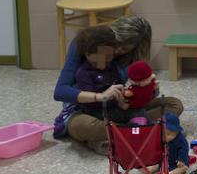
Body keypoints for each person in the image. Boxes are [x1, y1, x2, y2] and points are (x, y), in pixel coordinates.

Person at [52, 16, 183, 153]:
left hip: (119, 110)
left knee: (174, 105)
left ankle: (119, 135)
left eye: (124, 48)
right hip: (84, 110)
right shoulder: (86, 43)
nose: (116, 50)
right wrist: (99, 96)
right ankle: (138, 131)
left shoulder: (129, 59)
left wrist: (149, 89)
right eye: (116, 44)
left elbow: (134, 99)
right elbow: (61, 91)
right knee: (86, 126)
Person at [73, 26, 142, 123]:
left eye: (109, 57)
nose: (106, 62)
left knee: (139, 109)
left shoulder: (111, 65)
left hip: (115, 106)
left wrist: (123, 98)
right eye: (102, 58)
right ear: (88, 55)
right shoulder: (84, 73)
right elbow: (90, 104)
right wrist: (109, 98)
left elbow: (118, 85)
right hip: (98, 111)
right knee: (134, 113)